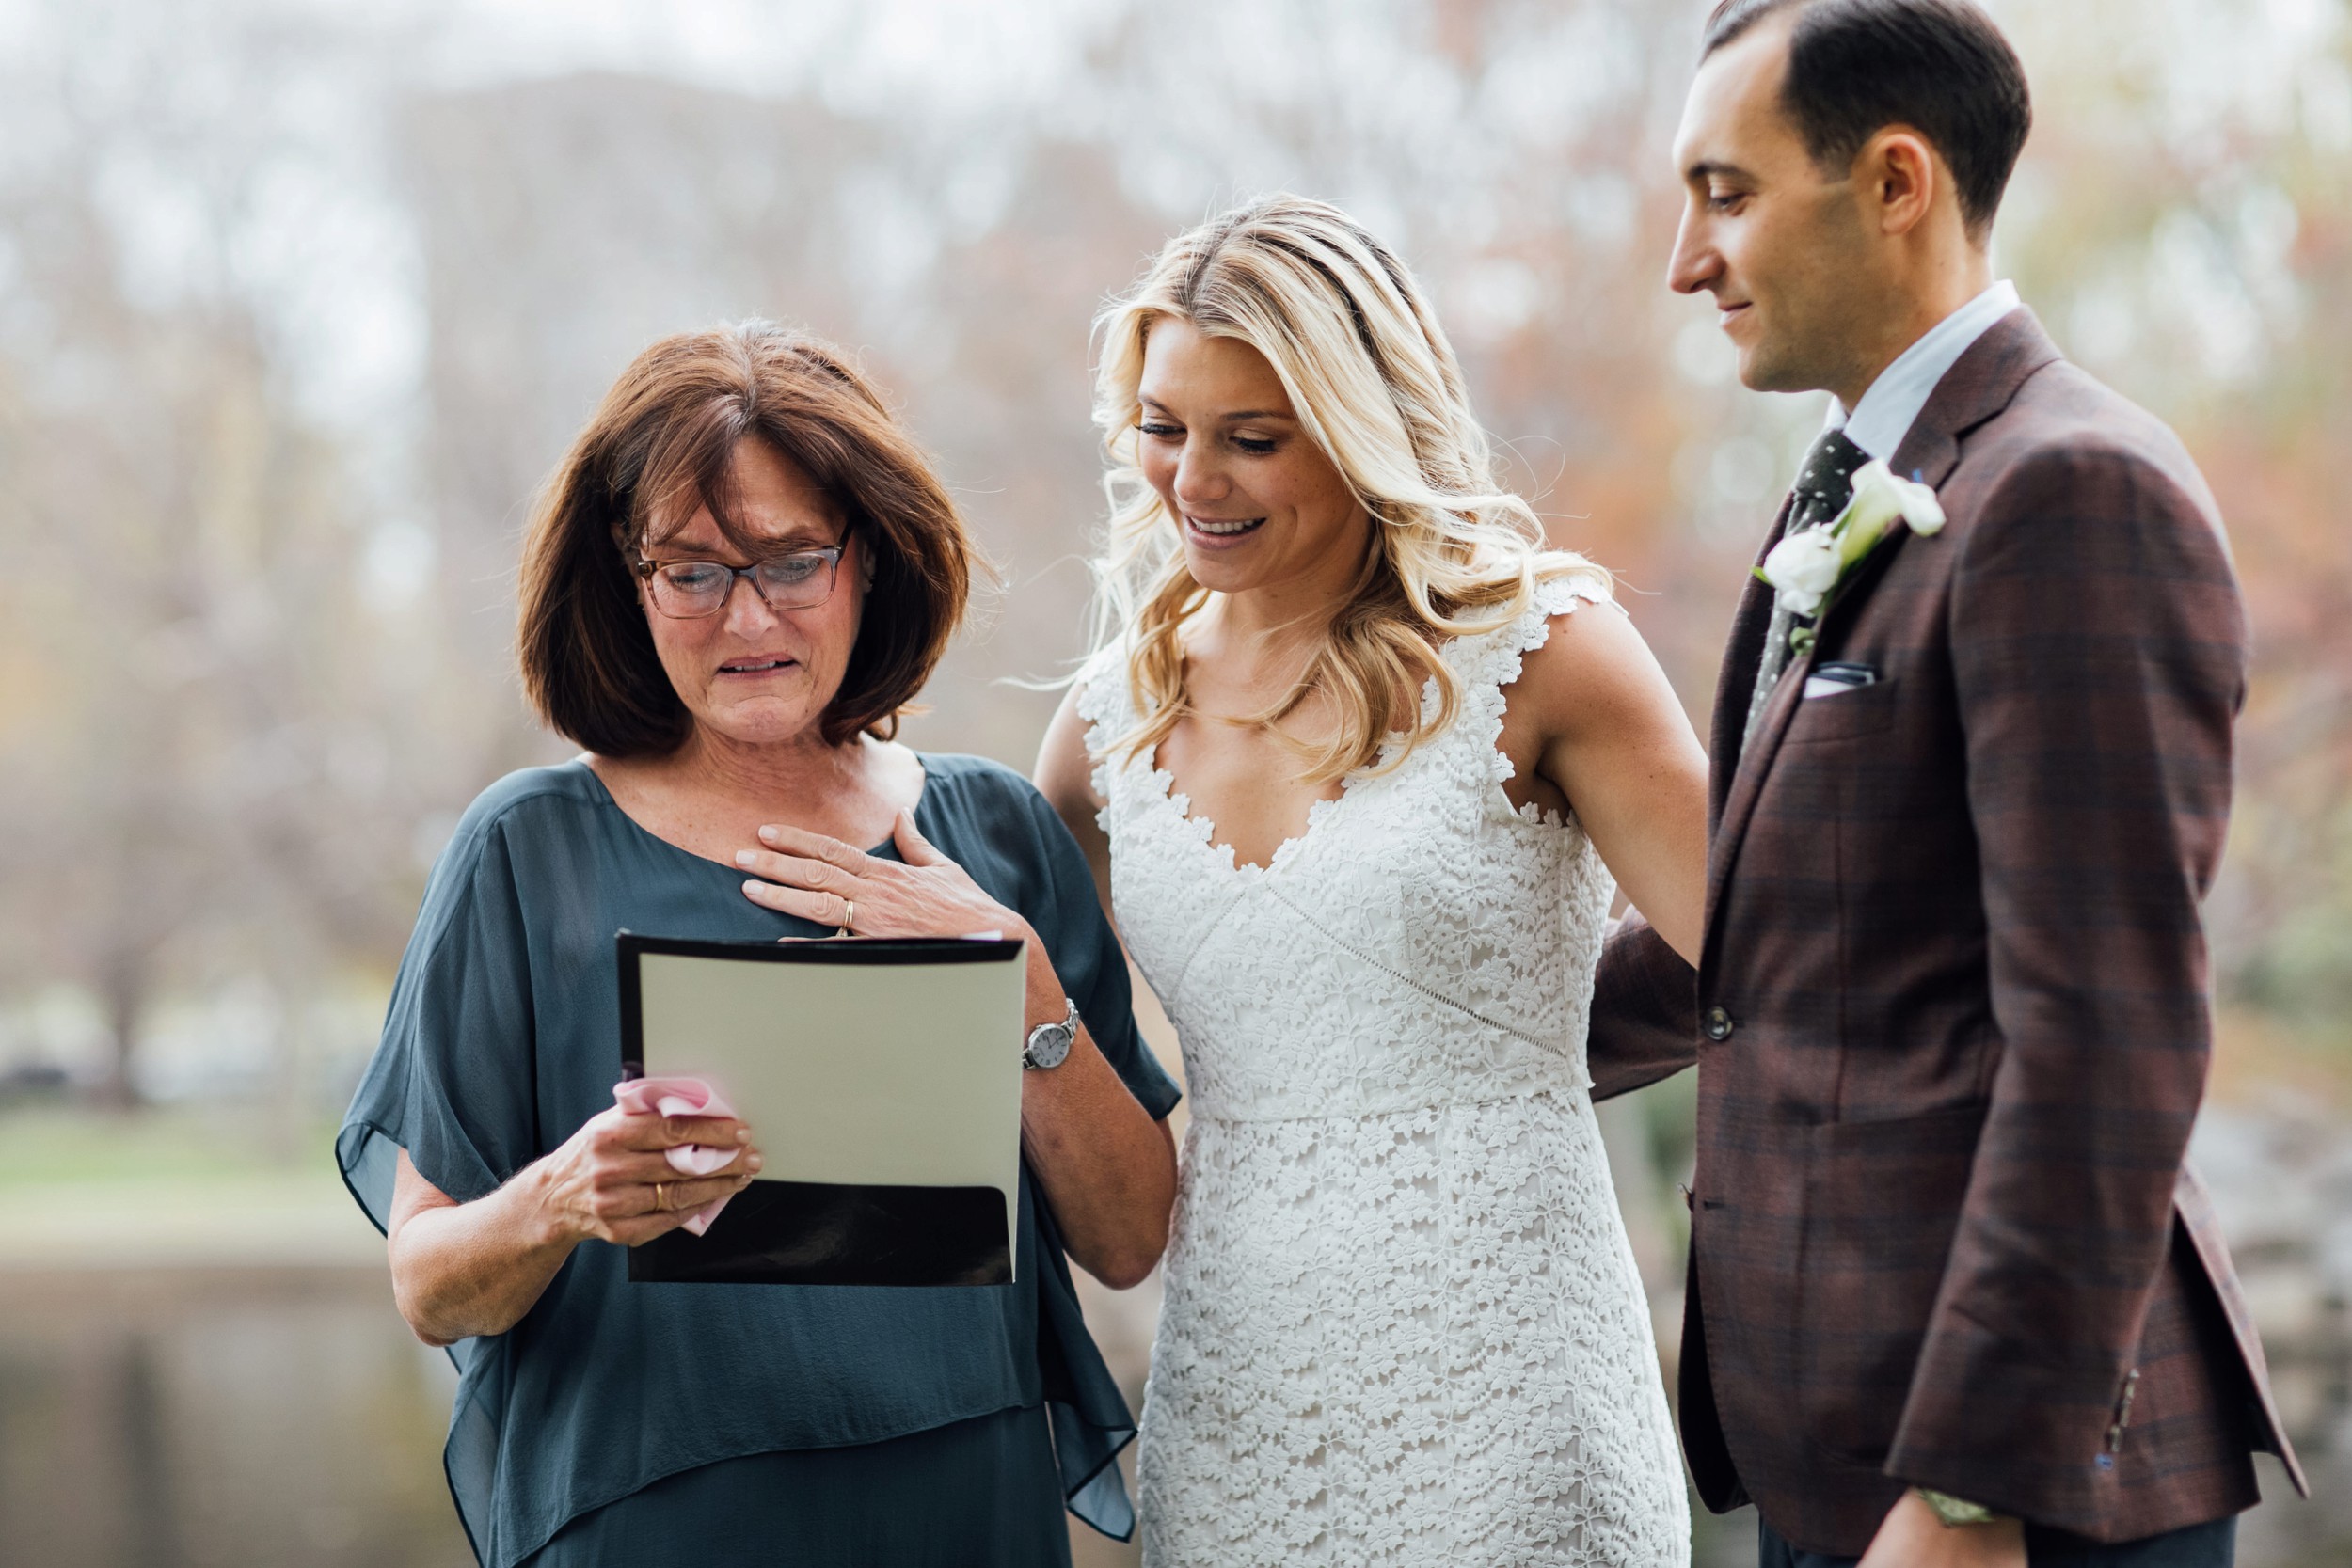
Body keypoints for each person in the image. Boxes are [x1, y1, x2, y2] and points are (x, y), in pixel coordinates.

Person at [1595, 2, 2311, 1564]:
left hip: (2009, 1484)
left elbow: (2109, 1034)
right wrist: (1412, 1028)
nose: (1686, 260)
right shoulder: (1858, 483)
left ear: (1897, 181)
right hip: (1832, 1448)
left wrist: (1977, 1489)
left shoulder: (2071, 488)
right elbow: (1772, 935)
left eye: (1726, 193)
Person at [337, 323, 1181, 1568]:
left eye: (793, 563)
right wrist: (565, 1196)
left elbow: (1128, 1239)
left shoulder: (993, 829)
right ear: (627, 581)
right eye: (691, 571)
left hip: (965, 1508)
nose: (749, 619)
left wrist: (1017, 978)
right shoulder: (526, 854)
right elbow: (431, 1284)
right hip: (661, 1523)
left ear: (870, 562)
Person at [1035, 196, 1711, 1566]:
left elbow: (1773, 965)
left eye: (1254, 440)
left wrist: (1520, 1054)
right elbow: (1048, 1079)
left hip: (1514, 1384)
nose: (1193, 483)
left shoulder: (1545, 646)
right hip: (1237, 1403)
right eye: (1166, 429)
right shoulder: (1103, 730)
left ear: (1361, 429)